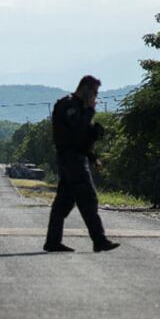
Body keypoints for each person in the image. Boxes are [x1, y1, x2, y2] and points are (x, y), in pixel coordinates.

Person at [43, 76, 119, 253]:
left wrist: (93, 154)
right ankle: (99, 240)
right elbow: (77, 132)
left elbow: (83, 137)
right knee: (88, 198)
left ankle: (53, 241)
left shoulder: (79, 108)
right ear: (86, 90)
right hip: (72, 159)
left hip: (74, 158)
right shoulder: (69, 105)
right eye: (94, 93)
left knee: (63, 203)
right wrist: (90, 111)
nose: (95, 97)